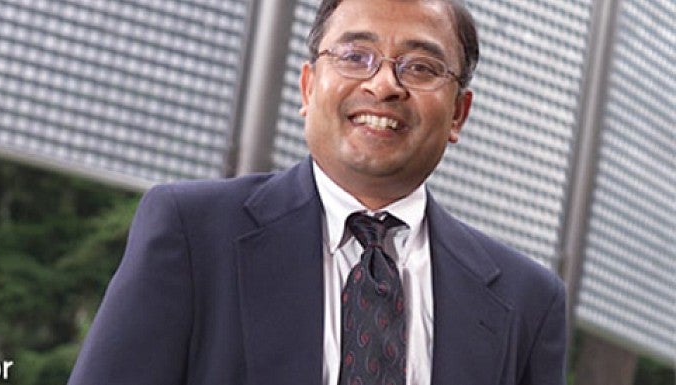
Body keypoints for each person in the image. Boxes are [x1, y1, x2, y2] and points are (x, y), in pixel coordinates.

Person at [67, 0, 568, 384]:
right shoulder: (193, 232)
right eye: (356, 56)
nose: (384, 84)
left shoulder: (528, 302)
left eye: (420, 67)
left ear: (459, 113)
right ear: (309, 88)